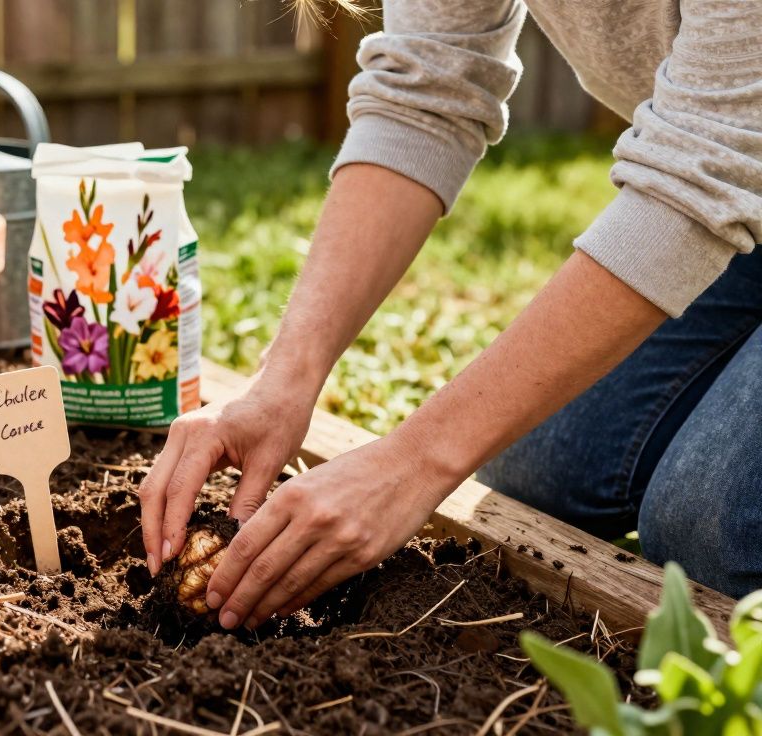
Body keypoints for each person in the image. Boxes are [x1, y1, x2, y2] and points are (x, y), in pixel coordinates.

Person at [139, 0, 761, 631]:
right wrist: (282, 380)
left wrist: (413, 463)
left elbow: (708, 155)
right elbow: (427, 89)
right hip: (742, 189)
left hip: (727, 171)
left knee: (713, 530)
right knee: (539, 470)